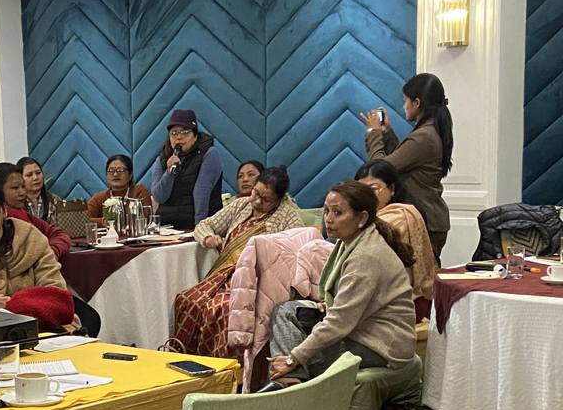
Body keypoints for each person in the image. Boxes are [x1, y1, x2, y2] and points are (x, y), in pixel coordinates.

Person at [268, 180, 416, 382]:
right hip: (359, 328)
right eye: (327, 211)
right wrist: (328, 303)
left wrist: (293, 358)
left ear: (362, 218)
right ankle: (292, 381)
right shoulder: (350, 242)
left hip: (380, 345)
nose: (328, 219)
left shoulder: (366, 256)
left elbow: (339, 323)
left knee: (305, 356)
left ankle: (291, 382)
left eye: (337, 213)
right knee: (285, 311)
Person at [173, 166, 304, 358]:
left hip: (257, 284)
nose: (257, 202)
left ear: (279, 199)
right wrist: (208, 238)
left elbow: (295, 258)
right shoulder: (241, 205)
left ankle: (223, 367)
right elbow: (205, 225)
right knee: (186, 300)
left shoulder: (289, 217)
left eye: (265, 200)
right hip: (224, 276)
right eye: (256, 193)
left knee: (221, 308)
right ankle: (186, 358)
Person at [0, 177, 81, 331]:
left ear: (3, 210)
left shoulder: (31, 241)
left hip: (44, 331)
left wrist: (12, 307)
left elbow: (56, 296)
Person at [361, 72, 453, 262]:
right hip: (429, 217)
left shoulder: (424, 136)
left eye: (405, 101)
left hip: (425, 219)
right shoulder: (429, 131)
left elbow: (379, 170)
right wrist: (387, 133)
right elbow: (403, 161)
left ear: (417, 103)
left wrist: (373, 133)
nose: (404, 106)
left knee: (421, 274)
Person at [354, 160, 436, 319]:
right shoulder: (366, 217)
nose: (366, 195)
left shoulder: (398, 217)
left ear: (392, 189)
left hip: (402, 302)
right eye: (361, 190)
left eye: (373, 189)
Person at [150, 109, 223, 230]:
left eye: (185, 132)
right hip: (167, 227)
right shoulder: (163, 158)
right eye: (174, 133)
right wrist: (169, 173)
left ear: (195, 136)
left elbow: (202, 192)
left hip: (198, 225)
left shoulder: (209, 153)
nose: (179, 137)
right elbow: (159, 196)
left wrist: (200, 229)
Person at [0, 162, 72, 258]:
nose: (22, 192)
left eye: (23, 186)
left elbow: (59, 234)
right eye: (15, 188)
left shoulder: (24, 214)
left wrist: (52, 252)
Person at [87, 154, 153, 226]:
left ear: (130, 175)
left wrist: (115, 221)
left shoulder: (139, 191)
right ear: (106, 175)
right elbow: (83, 220)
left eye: (120, 170)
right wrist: (104, 222)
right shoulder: (100, 198)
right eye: (111, 170)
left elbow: (146, 218)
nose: (115, 174)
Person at [16, 156, 61, 221]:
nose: (35, 178)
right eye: (29, 175)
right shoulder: (15, 204)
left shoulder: (54, 200)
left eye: (38, 173)